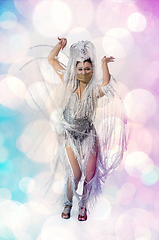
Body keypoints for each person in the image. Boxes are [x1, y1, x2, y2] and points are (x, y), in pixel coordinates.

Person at [46, 37, 127, 221]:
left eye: (87, 69)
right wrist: (59, 46)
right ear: (75, 69)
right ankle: (68, 204)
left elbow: (106, 85)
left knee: (90, 174)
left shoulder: (94, 90)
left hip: (89, 134)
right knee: (75, 174)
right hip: (70, 136)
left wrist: (104, 64)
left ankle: (83, 205)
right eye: (80, 69)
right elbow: (52, 60)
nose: (83, 72)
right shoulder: (68, 83)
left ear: (92, 70)